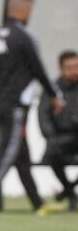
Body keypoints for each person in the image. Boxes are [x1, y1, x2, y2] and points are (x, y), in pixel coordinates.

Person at [0, 0, 61, 212]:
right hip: (16, 105)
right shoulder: (24, 36)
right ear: (24, 10)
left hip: (2, 103)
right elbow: (38, 68)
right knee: (8, 151)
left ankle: (38, 203)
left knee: (21, 155)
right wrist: (54, 94)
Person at [41, 50, 78, 211]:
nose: (74, 71)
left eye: (76, 66)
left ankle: (67, 191)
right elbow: (43, 114)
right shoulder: (52, 90)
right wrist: (49, 136)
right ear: (61, 69)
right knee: (51, 154)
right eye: (69, 67)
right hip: (60, 137)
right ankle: (70, 192)